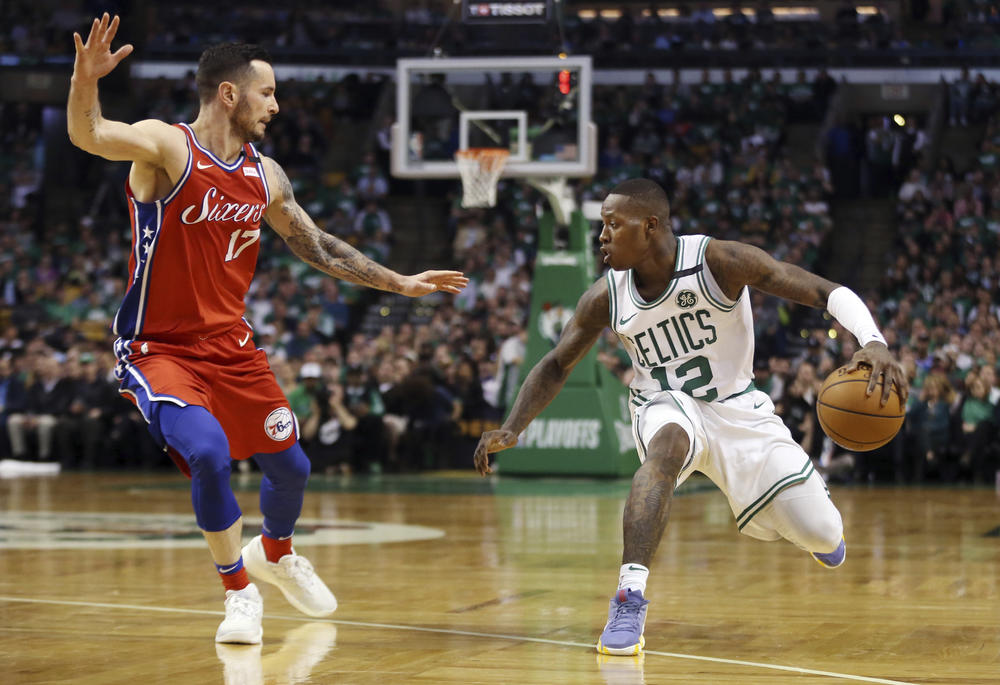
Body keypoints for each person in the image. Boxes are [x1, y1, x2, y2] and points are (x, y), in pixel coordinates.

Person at [68, 14, 467, 645]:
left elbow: (318, 245)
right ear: (229, 93)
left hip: (231, 345)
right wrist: (84, 80)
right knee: (207, 453)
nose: (277, 105)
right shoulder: (168, 147)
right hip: (158, 348)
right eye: (268, 92)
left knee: (293, 466)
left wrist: (400, 283)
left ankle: (275, 553)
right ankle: (238, 591)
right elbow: (89, 134)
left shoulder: (266, 174)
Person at [473, 178, 907, 655]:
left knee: (821, 532)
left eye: (613, 224)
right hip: (663, 404)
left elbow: (825, 291)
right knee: (667, 445)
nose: (602, 236)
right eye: (602, 225)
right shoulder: (606, 296)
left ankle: (798, 521)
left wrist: (873, 341)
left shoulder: (718, 261)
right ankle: (629, 598)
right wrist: (513, 426)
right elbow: (557, 363)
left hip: (739, 410)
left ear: (650, 226)